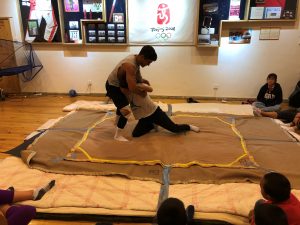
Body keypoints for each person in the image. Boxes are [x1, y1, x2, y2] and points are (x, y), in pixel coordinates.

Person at [105, 45, 157, 141]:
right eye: (149, 62)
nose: (149, 64)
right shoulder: (130, 66)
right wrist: (143, 93)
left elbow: (137, 76)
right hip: (113, 87)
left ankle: (116, 122)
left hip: (117, 84)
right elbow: (132, 88)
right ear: (142, 57)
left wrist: (143, 81)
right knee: (126, 111)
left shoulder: (135, 59)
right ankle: (117, 136)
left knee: (123, 104)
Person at [127, 83, 200, 137]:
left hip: (155, 113)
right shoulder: (125, 92)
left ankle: (189, 126)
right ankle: (153, 124)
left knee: (174, 129)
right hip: (144, 117)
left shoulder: (137, 86)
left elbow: (150, 89)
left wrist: (142, 85)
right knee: (135, 134)